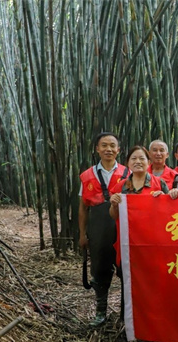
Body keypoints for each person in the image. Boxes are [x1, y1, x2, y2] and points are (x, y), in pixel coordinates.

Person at [78, 132, 129, 326]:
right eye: (104, 145)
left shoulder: (128, 173)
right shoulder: (87, 175)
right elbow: (83, 207)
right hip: (98, 228)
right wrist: (83, 234)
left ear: (118, 150)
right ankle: (100, 311)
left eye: (112, 145)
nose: (108, 149)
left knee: (125, 269)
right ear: (97, 149)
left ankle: (127, 314)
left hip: (121, 226)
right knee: (99, 268)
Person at [109, 146, 169, 220]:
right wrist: (114, 205)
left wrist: (163, 200)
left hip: (153, 228)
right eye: (134, 159)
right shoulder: (121, 186)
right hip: (129, 229)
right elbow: (114, 216)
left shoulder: (159, 183)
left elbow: (169, 210)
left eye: (142, 158)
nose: (138, 162)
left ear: (149, 162)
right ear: (128, 163)